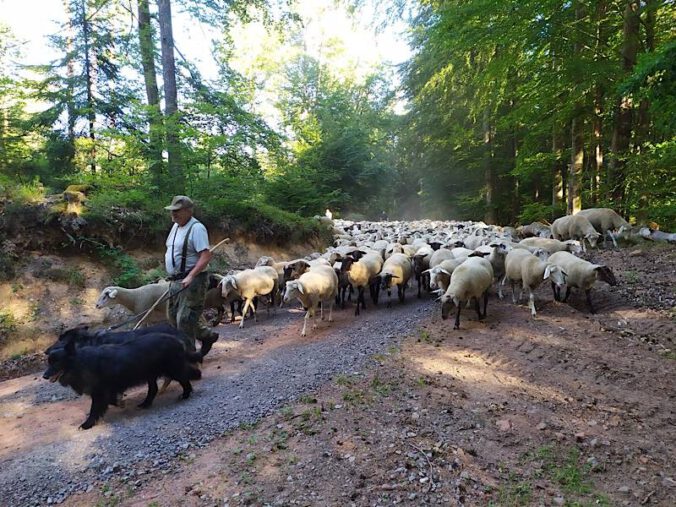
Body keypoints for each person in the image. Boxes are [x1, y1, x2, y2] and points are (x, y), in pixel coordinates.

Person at [164, 195, 219, 358]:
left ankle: (188, 359)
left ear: (188, 211)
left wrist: (191, 276)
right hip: (175, 280)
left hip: (193, 281)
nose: (173, 215)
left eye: (177, 211)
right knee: (173, 317)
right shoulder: (175, 227)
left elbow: (205, 255)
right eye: (172, 211)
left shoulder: (197, 228)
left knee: (185, 319)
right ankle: (207, 336)